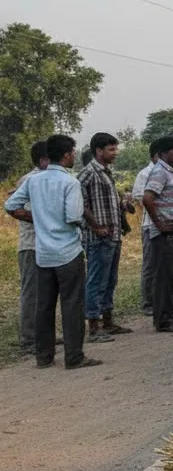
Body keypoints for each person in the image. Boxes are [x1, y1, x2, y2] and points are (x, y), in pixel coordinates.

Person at [4, 135, 101, 369]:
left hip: (42, 252)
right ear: (67, 155)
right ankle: (74, 356)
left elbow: (10, 206)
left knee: (44, 305)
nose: (74, 156)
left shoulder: (34, 180)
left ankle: (43, 356)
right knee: (72, 303)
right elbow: (73, 216)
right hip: (67, 250)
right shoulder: (70, 182)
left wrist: (35, 218)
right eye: (73, 153)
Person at [79, 132, 131, 342]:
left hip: (113, 234)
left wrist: (123, 207)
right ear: (98, 151)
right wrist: (96, 226)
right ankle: (93, 326)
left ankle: (108, 320)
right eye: (111, 149)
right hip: (99, 236)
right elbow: (81, 203)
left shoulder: (106, 173)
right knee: (97, 280)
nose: (115, 153)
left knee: (110, 279)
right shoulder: (88, 173)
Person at [143, 137, 173, 333]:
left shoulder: (170, 171)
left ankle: (169, 315)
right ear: (163, 153)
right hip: (166, 234)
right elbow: (147, 198)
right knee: (165, 277)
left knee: (172, 276)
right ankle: (163, 319)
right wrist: (160, 224)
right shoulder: (160, 172)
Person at [8, 141, 49, 355]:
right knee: (31, 292)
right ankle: (28, 338)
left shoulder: (42, 179)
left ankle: (41, 334)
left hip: (45, 244)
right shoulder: (31, 180)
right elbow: (14, 207)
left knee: (45, 292)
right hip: (31, 244)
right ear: (44, 159)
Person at [132, 143, 159, 316]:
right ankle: (147, 302)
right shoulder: (145, 174)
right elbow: (140, 198)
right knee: (150, 265)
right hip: (150, 224)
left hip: (164, 225)